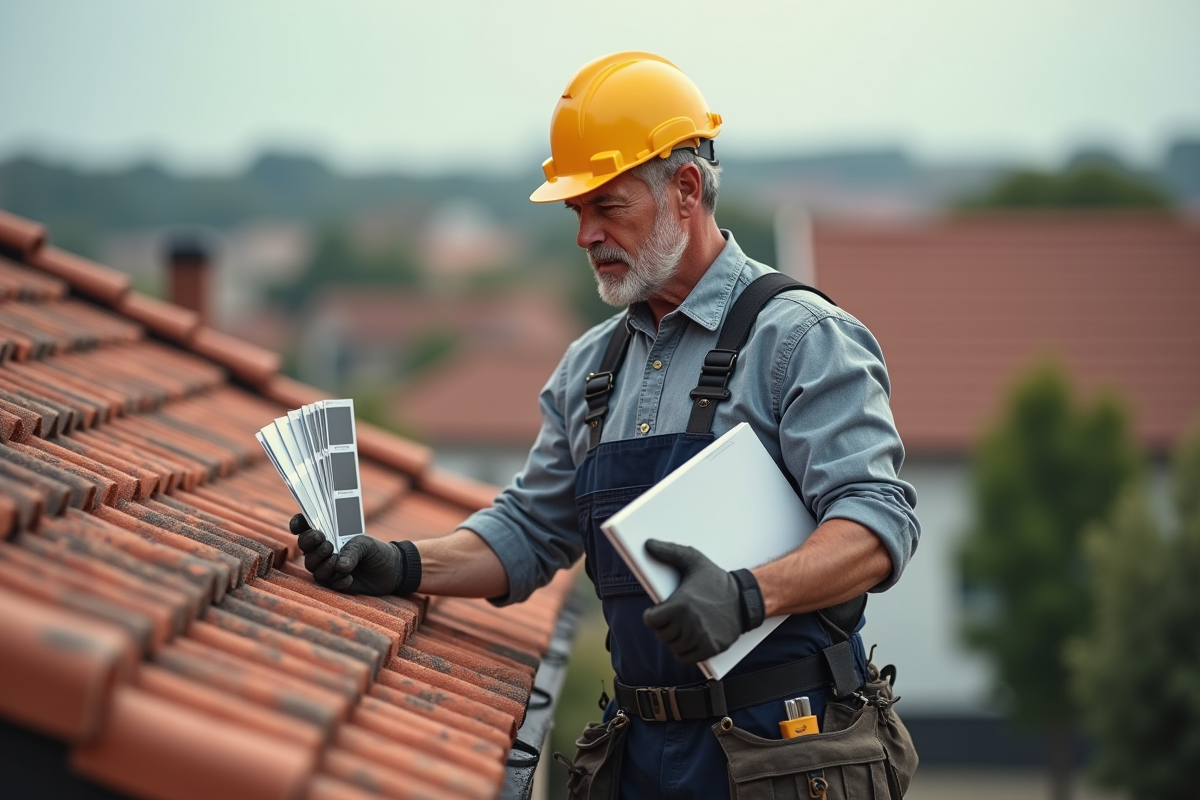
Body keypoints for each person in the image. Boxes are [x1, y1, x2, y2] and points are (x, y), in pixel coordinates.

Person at [291, 51, 919, 799]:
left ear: (686, 189)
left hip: (787, 754)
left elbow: (876, 526)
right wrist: (399, 564)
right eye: (575, 212)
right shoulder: (590, 371)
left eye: (607, 205)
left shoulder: (799, 339)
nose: (585, 233)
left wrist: (750, 595)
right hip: (640, 757)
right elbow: (529, 530)